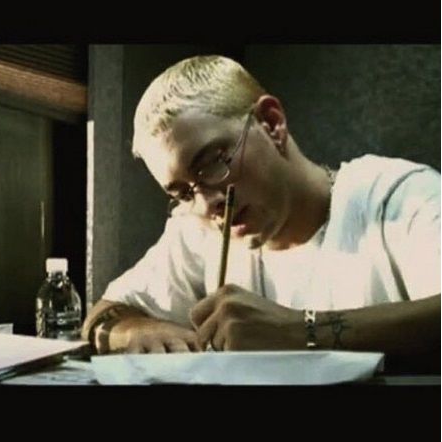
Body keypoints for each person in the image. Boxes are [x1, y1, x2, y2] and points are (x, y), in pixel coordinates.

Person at [82, 55, 440, 367]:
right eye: (183, 192)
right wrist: (138, 330)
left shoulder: (398, 196)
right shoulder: (197, 229)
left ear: (271, 123)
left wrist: (299, 331)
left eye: (212, 163)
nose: (207, 204)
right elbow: (103, 314)